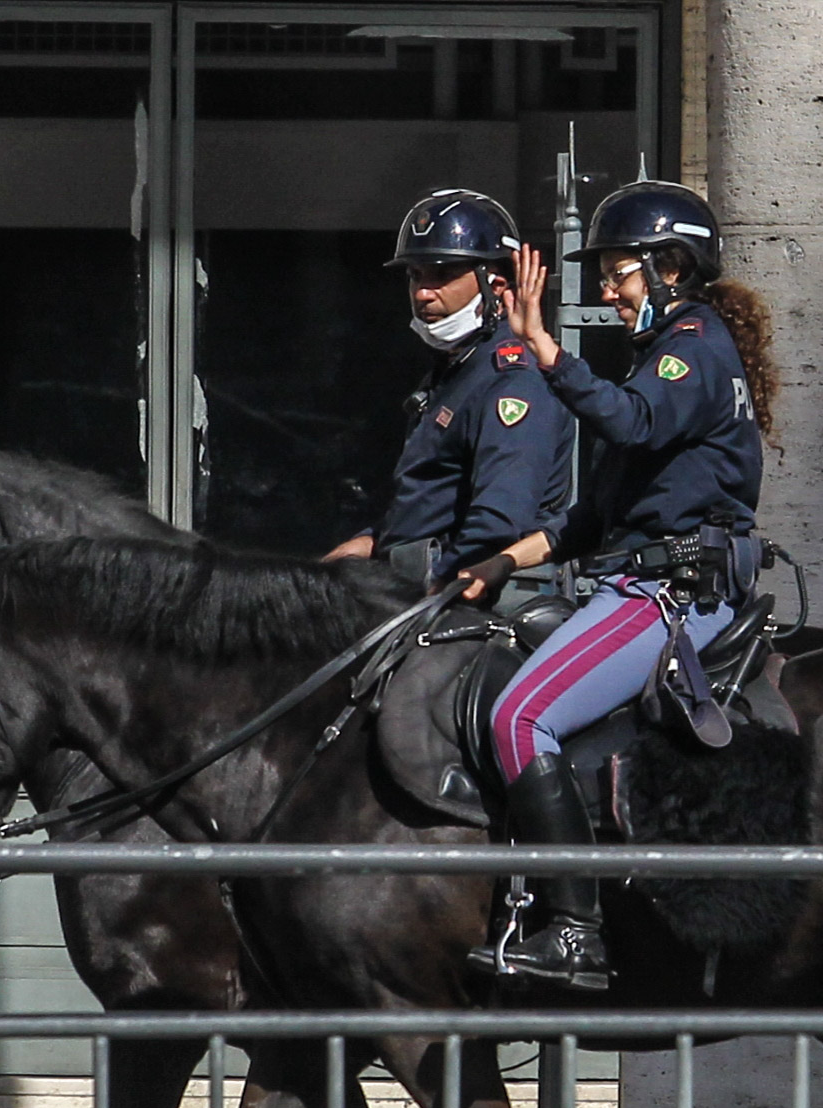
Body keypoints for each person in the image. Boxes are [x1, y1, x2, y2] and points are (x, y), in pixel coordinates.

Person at [462, 181, 782, 990]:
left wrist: (543, 349)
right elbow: (593, 516)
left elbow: (628, 420)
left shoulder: (693, 345)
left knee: (518, 715)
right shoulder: (662, 357)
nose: (606, 291)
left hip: (672, 594)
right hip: (630, 581)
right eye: (603, 276)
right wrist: (503, 561)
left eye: (619, 273)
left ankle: (575, 929)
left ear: (672, 267)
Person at [322, 190, 574, 592]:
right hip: (416, 579)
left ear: (496, 283)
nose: (423, 293)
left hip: (472, 595)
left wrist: (432, 587)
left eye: (442, 275)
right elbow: (431, 498)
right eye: (416, 276)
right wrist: (373, 541)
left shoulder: (514, 381)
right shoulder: (458, 368)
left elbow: (498, 522)